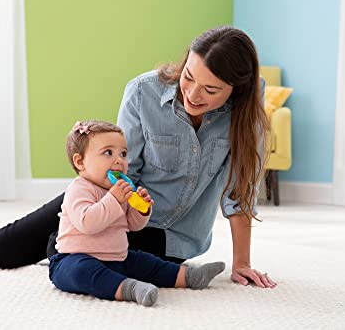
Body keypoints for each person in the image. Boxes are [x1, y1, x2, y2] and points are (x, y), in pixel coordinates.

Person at [0, 25, 276, 289]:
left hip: (169, 234)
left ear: (236, 90)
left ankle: (59, 245)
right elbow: (118, 171)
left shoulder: (247, 116)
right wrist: (95, 214)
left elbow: (239, 194)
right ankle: (7, 236)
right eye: (188, 77)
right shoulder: (143, 92)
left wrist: (241, 263)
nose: (193, 95)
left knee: (60, 245)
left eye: (210, 89)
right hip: (108, 197)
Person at [48, 120, 225, 307]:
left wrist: (141, 208)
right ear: (80, 161)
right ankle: (130, 289)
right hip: (74, 259)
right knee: (82, 272)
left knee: (145, 261)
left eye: (123, 154)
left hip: (117, 258)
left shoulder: (119, 190)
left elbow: (133, 226)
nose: (119, 160)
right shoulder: (80, 189)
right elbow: (88, 222)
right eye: (108, 152)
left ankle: (189, 276)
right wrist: (114, 200)